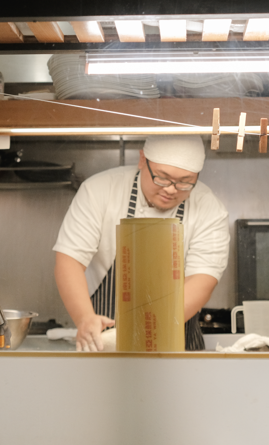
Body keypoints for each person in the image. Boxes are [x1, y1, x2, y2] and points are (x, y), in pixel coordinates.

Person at [53, 135, 229, 352]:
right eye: (162, 178)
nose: (172, 189)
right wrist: (84, 318)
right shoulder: (99, 190)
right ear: (142, 159)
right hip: (104, 343)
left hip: (178, 347)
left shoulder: (209, 207)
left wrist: (145, 331)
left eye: (185, 182)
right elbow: (69, 261)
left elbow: (202, 279)